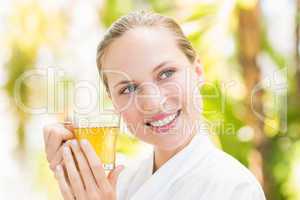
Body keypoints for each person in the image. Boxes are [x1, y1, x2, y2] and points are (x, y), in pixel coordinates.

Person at [43, 11, 266, 200]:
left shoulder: (233, 189)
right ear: (114, 103)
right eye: (128, 89)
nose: (152, 102)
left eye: (166, 73)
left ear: (197, 71)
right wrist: (72, 171)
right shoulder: (120, 184)